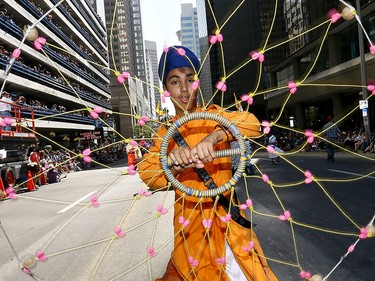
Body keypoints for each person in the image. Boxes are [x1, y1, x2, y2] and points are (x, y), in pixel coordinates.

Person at [138, 46, 278, 281]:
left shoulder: (215, 115)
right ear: (166, 90)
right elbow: (147, 173)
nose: (184, 88)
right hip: (190, 227)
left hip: (227, 221)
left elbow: (252, 123)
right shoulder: (164, 134)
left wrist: (216, 136)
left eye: (189, 80)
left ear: (197, 84)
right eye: (175, 81)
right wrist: (174, 163)